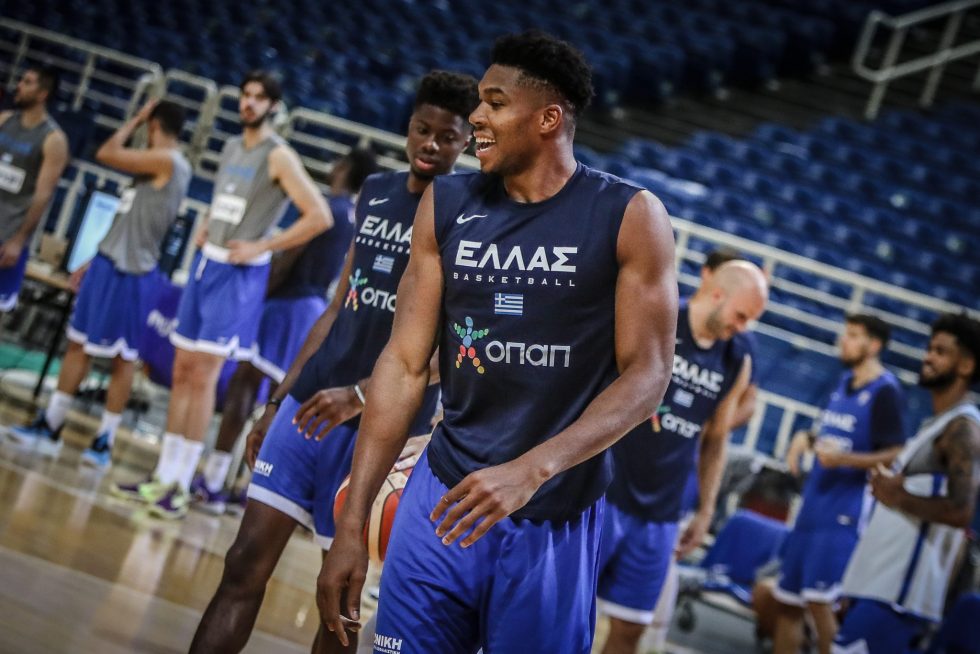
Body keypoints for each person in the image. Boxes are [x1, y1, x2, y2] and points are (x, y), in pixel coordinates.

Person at [318, 31, 678, 654]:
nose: (477, 116)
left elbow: (647, 375)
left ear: (548, 119)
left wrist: (530, 471)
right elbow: (404, 364)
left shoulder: (629, 215)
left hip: (553, 514)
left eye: (495, 102)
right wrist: (353, 522)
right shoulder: (447, 204)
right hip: (442, 496)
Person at [188, 70, 479, 654]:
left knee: (337, 598)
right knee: (242, 562)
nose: (431, 144)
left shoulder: (468, 215)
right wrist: (278, 399)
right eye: (422, 129)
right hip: (308, 406)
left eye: (447, 137)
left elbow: (460, 346)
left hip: (381, 428)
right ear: (408, 128)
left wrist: (365, 393)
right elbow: (337, 305)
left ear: (466, 143)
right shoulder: (375, 190)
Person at [111, 70, 332, 519]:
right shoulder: (231, 147)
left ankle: (180, 486)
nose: (248, 103)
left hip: (238, 275)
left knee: (203, 377)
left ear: (274, 107)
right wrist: (209, 222)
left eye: (258, 98)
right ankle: (164, 476)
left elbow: (319, 216)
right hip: (206, 264)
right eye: (245, 95)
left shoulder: (279, 155)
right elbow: (226, 198)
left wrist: (263, 246)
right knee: (182, 371)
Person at [192, 147, 378, 514]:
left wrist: (258, 295)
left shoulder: (327, 207)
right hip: (315, 309)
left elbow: (289, 258)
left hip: (288, 304)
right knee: (284, 400)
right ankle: (252, 488)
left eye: (338, 162)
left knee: (245, 385)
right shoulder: (357, 216)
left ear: (345, 168)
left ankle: (212, 481)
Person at [5, 99, 190, 464]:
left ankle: (105, 439)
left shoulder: (169, 161)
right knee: (78, 343)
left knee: (123, 357)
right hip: (108, 263)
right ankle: (51, 423)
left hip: (134, 272)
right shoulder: (151, 166)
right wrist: (93, 258)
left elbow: (106, 152)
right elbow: (127, 219)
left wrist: (134, 119)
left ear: (153, 125)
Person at [597, 260, 768, 654]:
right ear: (717, 294)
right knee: (563, 609)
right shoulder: (660, 317)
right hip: (604, 491)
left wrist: (706, 509)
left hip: (661, 511)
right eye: (742, 316)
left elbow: (716, 439)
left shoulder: (736, 358)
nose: (744, 327)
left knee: (630, 627)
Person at [832, 314, 980, 654]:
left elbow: (961, 511)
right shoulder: (935, 424)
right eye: (929, 349)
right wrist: (856, 586)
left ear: (967, 365)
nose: (928, 357)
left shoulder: (964, 429)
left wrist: (897, 495)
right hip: (877, 589)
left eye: (940, 351)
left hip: (898, 599)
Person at [773, 314, 907, 654]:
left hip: (843, 516)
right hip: (811, 507)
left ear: (874, 345)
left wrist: (844, 460)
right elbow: (830, 437)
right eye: (845, 333)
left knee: (821, 606)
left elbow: (895, 453)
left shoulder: (886, 391)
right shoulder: (843, 381)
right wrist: (805, 438)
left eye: (853, 335)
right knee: (787, 605)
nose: (843, 340)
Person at [0, 65, 69, 314]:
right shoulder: (4, 120)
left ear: (42, 94)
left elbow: (43, 195)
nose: (18, 85)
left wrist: (18, 240)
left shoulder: (53, 139)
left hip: (7, 237)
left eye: (27, 82)